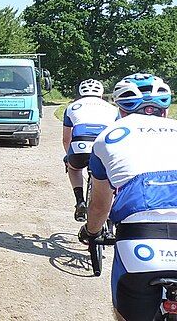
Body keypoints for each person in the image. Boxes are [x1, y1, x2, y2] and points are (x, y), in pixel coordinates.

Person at [79, 73, 176, 321]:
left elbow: (100, 205)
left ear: (120, 110)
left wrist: (91, 232)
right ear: (165, 110)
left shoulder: (108, 138)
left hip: (141, 241)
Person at [63, 78, 118, 221]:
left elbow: (66, 139)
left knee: (74, 168)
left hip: (80, 146)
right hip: (104, 146)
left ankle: (80, 200)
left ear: (80, 93)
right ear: (101, 93)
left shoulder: (72, 107)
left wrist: (68, 156)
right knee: (108, 174)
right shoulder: (113, 109)